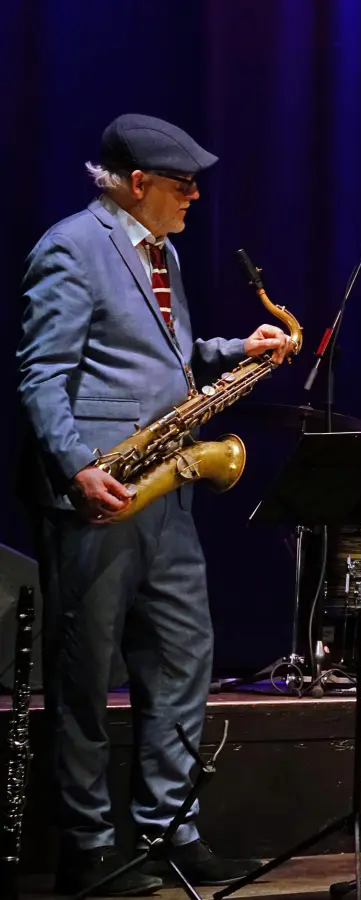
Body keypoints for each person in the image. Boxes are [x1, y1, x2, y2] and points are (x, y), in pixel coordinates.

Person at [16, 114, 291, 895]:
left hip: (167, 486)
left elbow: (168, 359)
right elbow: (42, 374)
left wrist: (237, 351)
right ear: (139, 184)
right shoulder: (71, 247)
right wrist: (76, 468)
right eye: (183, 184)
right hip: (101, 491)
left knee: (181, 658)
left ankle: (170, 830)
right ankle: (88, 844)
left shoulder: (160, 250)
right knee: (83, 671)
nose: (195, 197)